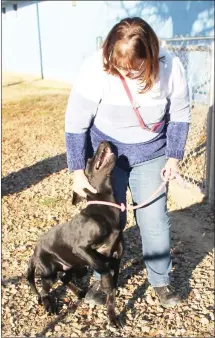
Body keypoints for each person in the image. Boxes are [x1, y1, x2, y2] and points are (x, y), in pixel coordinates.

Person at [65, 17, 190, 308]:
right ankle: (100, 277)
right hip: (108, 156)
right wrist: (76, 171)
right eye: (119, 66)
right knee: (106, 223)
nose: (126, 73)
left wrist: (173, 158)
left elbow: (181, 115)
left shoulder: (171, 68)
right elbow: (75, 122)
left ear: (151, 55)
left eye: (134, 67)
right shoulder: (95, 67)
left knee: (155, 222)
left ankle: (160, 281)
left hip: (151, 153)